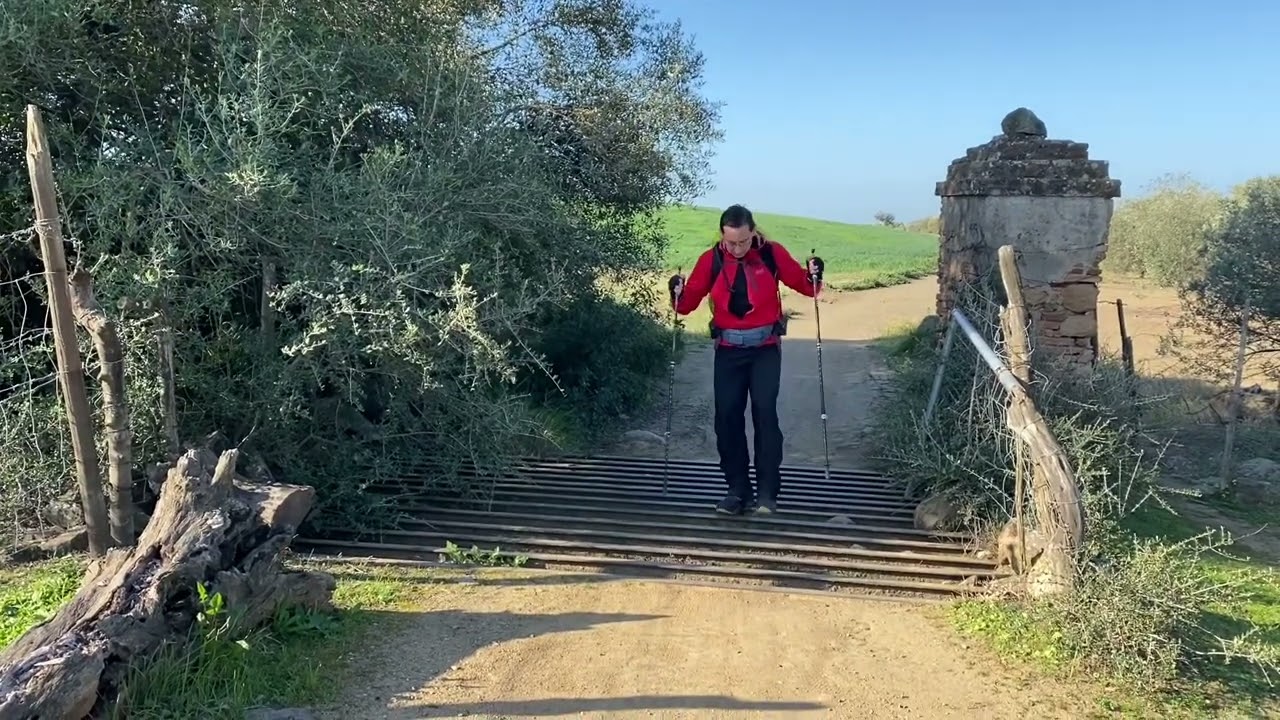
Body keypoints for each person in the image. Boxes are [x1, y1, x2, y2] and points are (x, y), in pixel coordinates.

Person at [668, 204, 824, 516]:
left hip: (765, 349)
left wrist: (815, 272)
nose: (737, 248)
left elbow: (807, 287)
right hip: (728, 350)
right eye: (731, 243)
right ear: (722, 235)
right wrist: (675, 290)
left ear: (752, 232)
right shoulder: (711, 259)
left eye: (743, 241)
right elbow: (684, 306)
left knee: (765, 414)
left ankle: (767, 492)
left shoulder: (771, 254)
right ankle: (737, 490)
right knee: (727, 418)